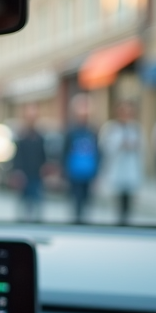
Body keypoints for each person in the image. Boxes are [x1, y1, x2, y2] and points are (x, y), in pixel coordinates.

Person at [100, 100, 144, 225]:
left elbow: (142, 152)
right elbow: (104, 148)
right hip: (115, 170)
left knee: (128, 202)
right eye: (123, 111)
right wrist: (120, 144)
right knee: (116, 202)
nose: (126, 114)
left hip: (131, 170)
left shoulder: (136, 128)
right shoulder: (110, 128)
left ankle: (127, 223)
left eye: (129, 111)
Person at [62, 94, 101, 224]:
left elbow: (98, 152)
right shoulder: (71, 131)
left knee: (87, 203)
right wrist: (64, 172)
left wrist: (97, 173)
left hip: (88, 173)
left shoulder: (93, 130)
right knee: (76, 204)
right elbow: (64, 152)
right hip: (74, 173)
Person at [10, 103, 47, 222]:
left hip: (36, 176)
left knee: (37, 206)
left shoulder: (40, 136)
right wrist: (17, 172)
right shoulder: (21, 136)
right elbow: (16, 157)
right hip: (24, 176)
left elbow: (43, 156)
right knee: (23, 207)